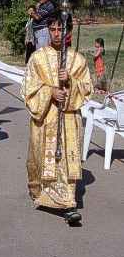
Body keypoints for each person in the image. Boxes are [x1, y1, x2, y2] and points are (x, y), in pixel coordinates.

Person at [21, 12, 92, 225]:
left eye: (61, 29)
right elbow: (27, 88)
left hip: (69, 119)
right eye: (52, 29)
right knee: (39, 158)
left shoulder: (78, 60)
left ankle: (68, 204)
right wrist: (49, 92)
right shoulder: (37, 58)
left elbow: (87, 89)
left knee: (66, 161)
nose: (56, 34)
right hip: (45, 118)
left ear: (68, 31)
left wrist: (70, 83)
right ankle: (40, 190)